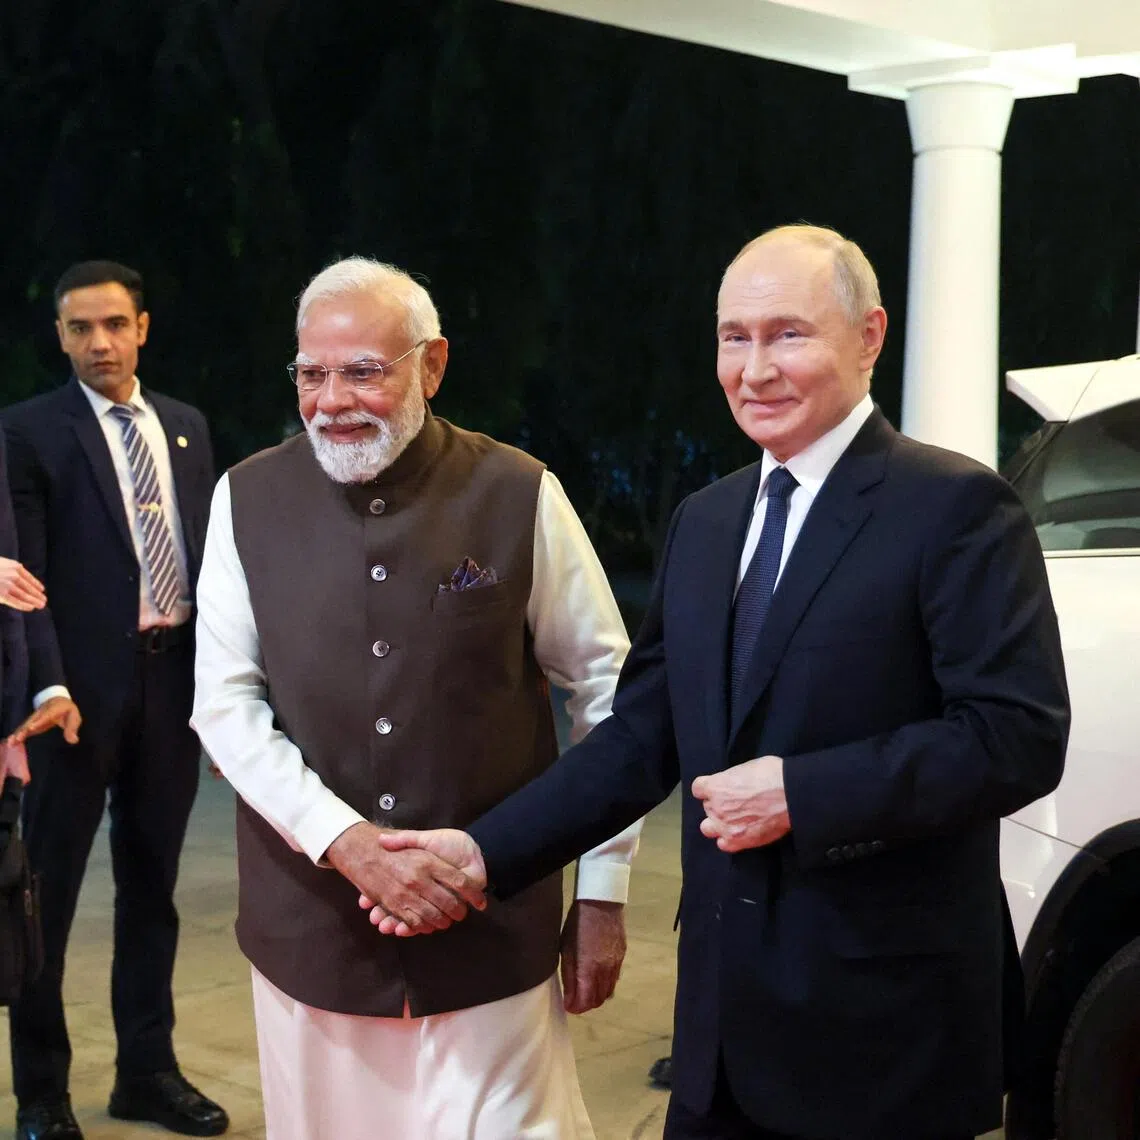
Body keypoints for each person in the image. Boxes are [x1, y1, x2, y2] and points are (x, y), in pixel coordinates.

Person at [372, 225, 1072, 1140]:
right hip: (719, 1028)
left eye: (789, 334)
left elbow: (1015, 738)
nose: (754, 368)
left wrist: (800, 793)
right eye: (733, 337)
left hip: (883, 1029)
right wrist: (484, 853)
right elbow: (641, 733)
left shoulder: (956, 508)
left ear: (869, 336)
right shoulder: (709, 519)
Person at [189, 256, 640, 1139]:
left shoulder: (518, 490)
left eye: (363, 370)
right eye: (312, 373)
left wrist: (603, 891)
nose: (332, 400)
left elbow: (608, 687)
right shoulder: (244, 497)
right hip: (313, 934)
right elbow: (224, 705)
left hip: (492, 928)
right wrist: (348, 844)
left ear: (430, 366)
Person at [2, 261, 228, 1140]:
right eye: (77, 328)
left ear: (142, 327)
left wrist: (222, 689)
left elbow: (210, 561)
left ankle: (147, 1072)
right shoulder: (27, 433)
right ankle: (41, 1093)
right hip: (72, 700)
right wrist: (47, 683)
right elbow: (25, 577)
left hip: (170, 683)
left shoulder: (185, 428)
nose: (97, 342)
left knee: (152, 889)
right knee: (44, 898)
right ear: (58, 336)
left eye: (112, 325)